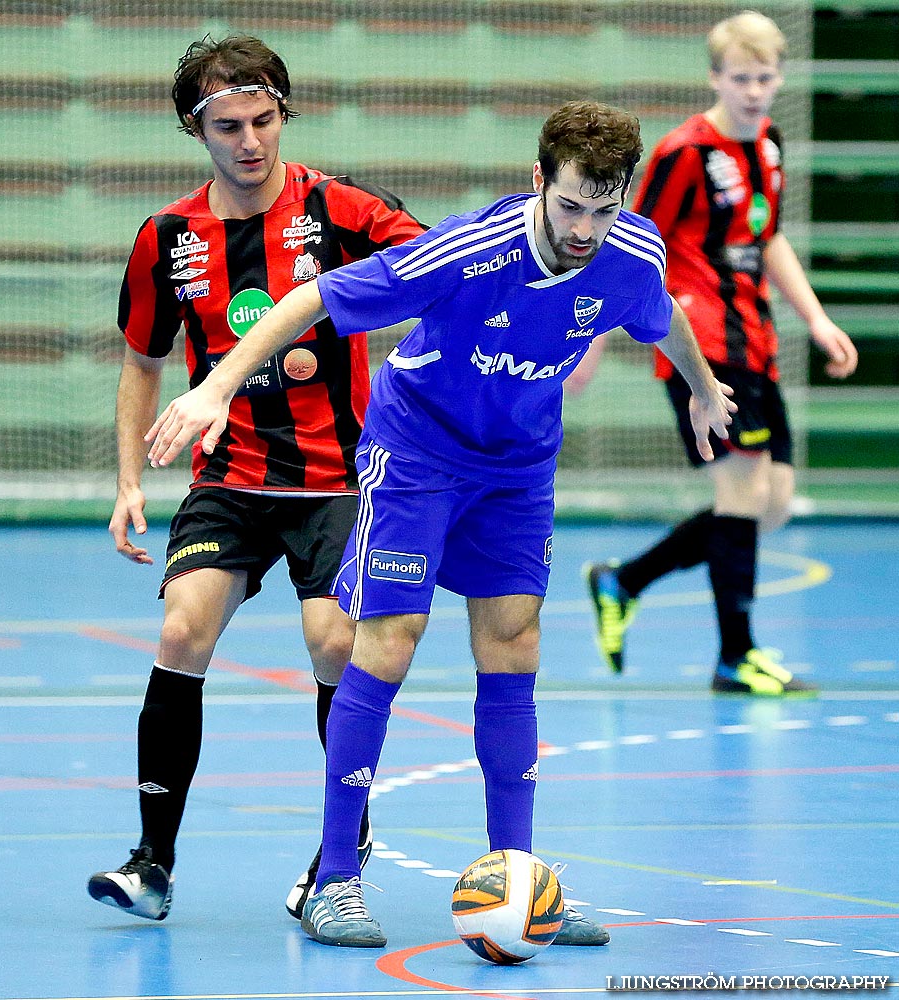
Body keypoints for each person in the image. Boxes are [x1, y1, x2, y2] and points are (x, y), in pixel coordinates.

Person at [143, 99, 736, 948]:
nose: (585, 228)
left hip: (517, 466)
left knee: (515, 642)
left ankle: (520, 881)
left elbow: (661, 312)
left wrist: (704, 388)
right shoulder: (469, 249)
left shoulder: (630, 251)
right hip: (415, 451)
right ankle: (336, 880)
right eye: (570, 205)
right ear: (539, 181)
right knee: (390, 639)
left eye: (604, 210)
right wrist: (216, 387)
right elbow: (308, 300)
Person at [86, 34, 425, 923]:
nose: (250, 142)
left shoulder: (344, 209)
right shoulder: (166, 237)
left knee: (335, 645)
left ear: (285, 114)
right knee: (183, 629)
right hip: (230, 477)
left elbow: (439, 269)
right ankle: (150, 862)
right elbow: (141, 361)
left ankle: (340, 850)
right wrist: (130, 481)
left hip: (336, 479)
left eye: (264, 120)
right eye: (228, 126)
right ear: (195, 131)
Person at [583, 11, 858, 697]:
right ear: (716, 77)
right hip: (702, 344)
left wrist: (817, 320)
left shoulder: (768, 146)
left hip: (756, 337)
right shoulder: (683, 153)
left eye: (766, 78)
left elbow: (767, 240)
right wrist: (587, 335)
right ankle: (736, 655)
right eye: (742, 78)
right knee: (741, 490)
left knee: (773, 501)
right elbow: (629, 244)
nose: (755, 91)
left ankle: (626, 581)